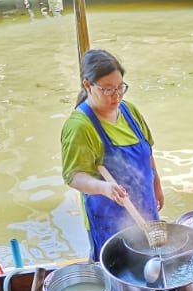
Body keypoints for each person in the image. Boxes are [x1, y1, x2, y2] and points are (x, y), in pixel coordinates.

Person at [61, 49, 164, 261]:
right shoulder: (80, 127)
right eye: (107, 90)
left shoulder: (129, 111)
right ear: (87, 85)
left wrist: (157, 187)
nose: (116, 96)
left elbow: (147, 154)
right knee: (120, 275)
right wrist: (105, 188)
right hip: (109, 219)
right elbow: (74, 176)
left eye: (120, 88)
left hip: (145, 208)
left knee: (152, 265)